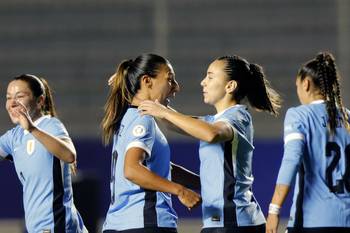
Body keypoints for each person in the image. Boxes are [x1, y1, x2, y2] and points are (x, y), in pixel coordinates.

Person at [139, 55, 281, 233]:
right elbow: (173, 122)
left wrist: (164, 112)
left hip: (235, 222)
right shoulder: (212, 120)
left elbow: (211, 134)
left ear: (230, 86)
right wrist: (130, 82)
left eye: (210, 76)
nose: (202, 82)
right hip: (223, 222)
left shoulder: (237, 117)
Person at [101, 53, 201, 233]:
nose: (176, 87)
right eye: (170, 79)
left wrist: (204, 183)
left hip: (119, 224)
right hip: (146, 222)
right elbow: (132, 169)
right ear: (147, 81)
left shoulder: (127, 118)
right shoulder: (142, 120)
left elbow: (158, 169)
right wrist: (180, 191)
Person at [266, 52, 350, 233]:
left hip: (312, 220)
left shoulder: (299, 115)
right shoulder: (348, 117)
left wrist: (274, 209)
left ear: (306, 83)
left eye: (297, 86)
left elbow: (292, 160)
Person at [0, 74, 87, 233]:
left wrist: (32, 129)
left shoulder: (50, 125)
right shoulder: (14, 136)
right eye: (8, 97)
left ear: (40, 101)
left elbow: (69, 155)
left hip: (58, 225)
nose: (12, 103)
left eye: (19, 96)